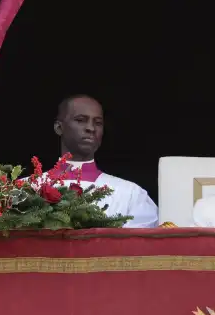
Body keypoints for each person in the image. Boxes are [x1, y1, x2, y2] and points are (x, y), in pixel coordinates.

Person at [49, 94, 158, 228]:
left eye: (98, 123)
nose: (91, 128)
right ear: (59, 128)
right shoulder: (27, 190)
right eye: (80, 120)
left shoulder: (130, 195)